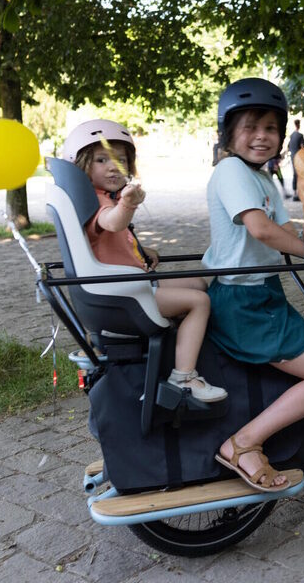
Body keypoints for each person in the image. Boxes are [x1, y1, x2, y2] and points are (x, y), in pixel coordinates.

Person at [205, 79, 304, 491]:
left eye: (271, 128)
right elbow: (261, 230)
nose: (262, 136)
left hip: (261, 293)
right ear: (228, 133)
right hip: (243, 301)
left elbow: (283, 226)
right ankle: (244, 443)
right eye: (251, 127)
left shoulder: (262, 177)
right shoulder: (232, 171)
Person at [63, 119, 226, 403]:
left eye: (121, 160)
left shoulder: (104, 198)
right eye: (102, 159)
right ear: (83, 164)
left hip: (128, 283)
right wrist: (128, 204)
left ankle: (178, 341)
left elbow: (111, 239)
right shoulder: (97, 203)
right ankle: (184, 376)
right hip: (124, 294)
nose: (114, 166)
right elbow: (111, 223)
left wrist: (140, 249)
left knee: (198, 283)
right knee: (200, 302)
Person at [286, 119, 304, 201]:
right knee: (300, 175)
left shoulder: (292, 135)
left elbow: (288, 147)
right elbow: (302, 147)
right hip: (299, 158)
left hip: (293, 157)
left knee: (295, 174)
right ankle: (299, 194)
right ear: (299, 125)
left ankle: (295, 193)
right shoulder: (300, 135)